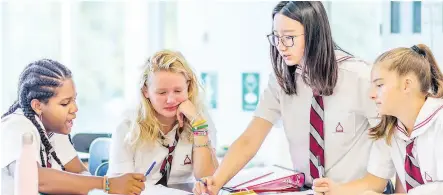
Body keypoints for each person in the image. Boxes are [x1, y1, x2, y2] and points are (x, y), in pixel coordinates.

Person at [193, 1, 378, 195]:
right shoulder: (281, 80)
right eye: (276, 37)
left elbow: (392, 142)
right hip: (308, 191)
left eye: (289, 37)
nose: (281, 46)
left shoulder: (359, 76)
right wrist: (216, 182)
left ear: (315, 35)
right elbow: (250, 139)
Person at [1, 59, 146, 195]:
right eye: (65, 103)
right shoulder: (15, 127)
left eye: (74, 100)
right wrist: (107, 184)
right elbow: (36, 178)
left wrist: (98, 186)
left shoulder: (54, 129)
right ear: (38, 106)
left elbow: (79, 172)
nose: (75, 108)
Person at [313, 44, 443, 195]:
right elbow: (382, 183)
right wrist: (335, 190)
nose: (372, 95)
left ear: (407, 85)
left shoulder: (439, 123)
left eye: (380, 85)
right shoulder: (393, 130)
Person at [107, 50, 219, 187]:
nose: (171, 100)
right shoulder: (127, 127)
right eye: (161, 92)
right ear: (145, 91)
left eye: (178, 91)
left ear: (188, 88)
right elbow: (121, 187)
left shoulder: (200, 119)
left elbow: (208, 179)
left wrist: (198, 125)